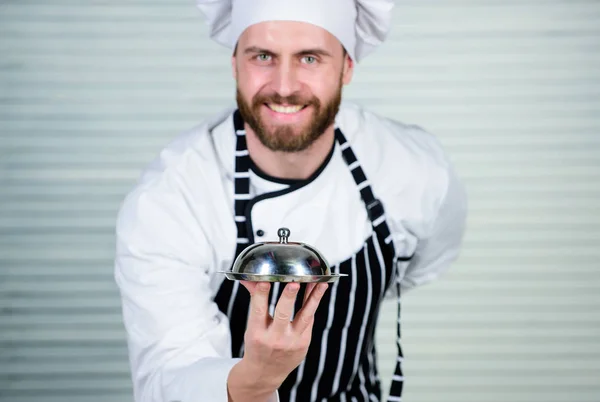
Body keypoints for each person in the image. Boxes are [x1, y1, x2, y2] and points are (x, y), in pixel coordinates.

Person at [113, 0, 468, 401]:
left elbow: (424, 263)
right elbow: (168, 377)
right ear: (234, 63)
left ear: (347, 66)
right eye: (262, 56)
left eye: (310, 58)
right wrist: (258, 377)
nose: (284, 86)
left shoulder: (412, 169)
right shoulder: (171, 200)